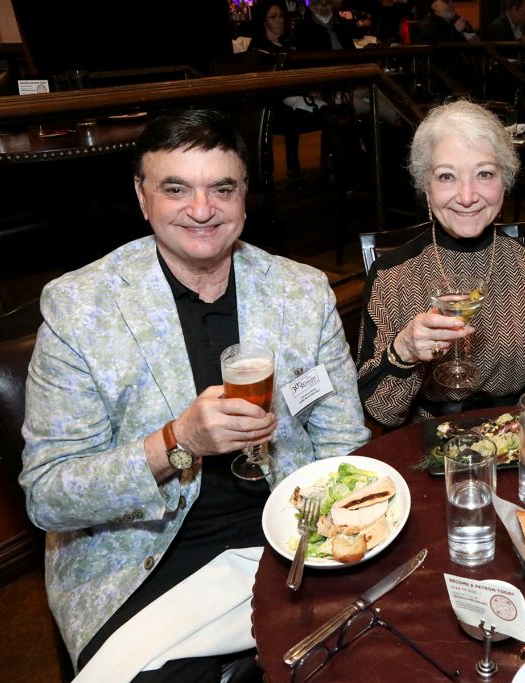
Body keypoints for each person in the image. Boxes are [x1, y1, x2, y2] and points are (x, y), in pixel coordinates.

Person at [19, 109, 371, 678]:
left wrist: (347, 530)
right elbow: (48, 495)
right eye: (176, 188)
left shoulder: (300, 291)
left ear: (245, 197)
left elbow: (342, 441)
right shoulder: (80, 307)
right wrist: (176, 441)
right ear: (141, 196)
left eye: (221, 189)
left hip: (294, 536)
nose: (202, 211)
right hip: (148, 562)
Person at [356, 100, 525, 426]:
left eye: (484, 174)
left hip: (522, 441)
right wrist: (403, 350)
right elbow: (381, 412)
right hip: (429, 450)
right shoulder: (393, 276)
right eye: (447, 176)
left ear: (505, 182)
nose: (466, 196)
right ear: (426, 188)